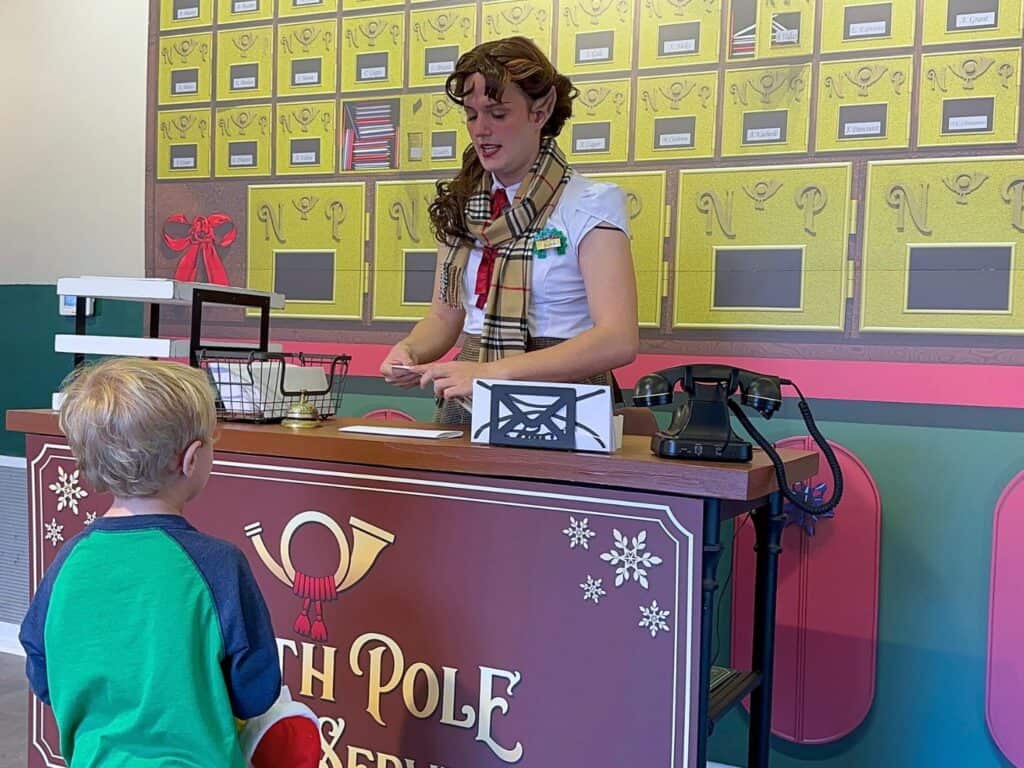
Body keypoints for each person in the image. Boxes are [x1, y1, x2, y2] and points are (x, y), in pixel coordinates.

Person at [18, 358, 305, 767]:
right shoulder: (220, 565)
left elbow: (41, 670)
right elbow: (256, 691)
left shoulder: (68, 561)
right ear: (191, 459)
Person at [380, 36, 639, 424]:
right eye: (471, 115)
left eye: (497, 114)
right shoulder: (465, 206)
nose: (481, 130)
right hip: (466, 396)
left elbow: (617, 340)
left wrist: (490, 374)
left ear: (541, 110)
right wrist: (411, 350)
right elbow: (445, 318)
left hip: (561, 403)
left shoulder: (590, 203)